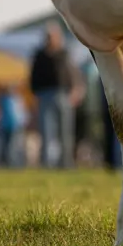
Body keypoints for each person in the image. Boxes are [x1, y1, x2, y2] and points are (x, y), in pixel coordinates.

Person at [29, 22, 80, 169]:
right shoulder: (39, 55)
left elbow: (73, 74)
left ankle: (66, 164)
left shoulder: (64, 54)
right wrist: (35, 94)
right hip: (44, 96)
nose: (50, 39)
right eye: (48, 36)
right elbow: (33, 77)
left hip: (63, 95)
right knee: (46, 132)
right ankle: (46, 164)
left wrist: (75, 91)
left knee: (66, 132)